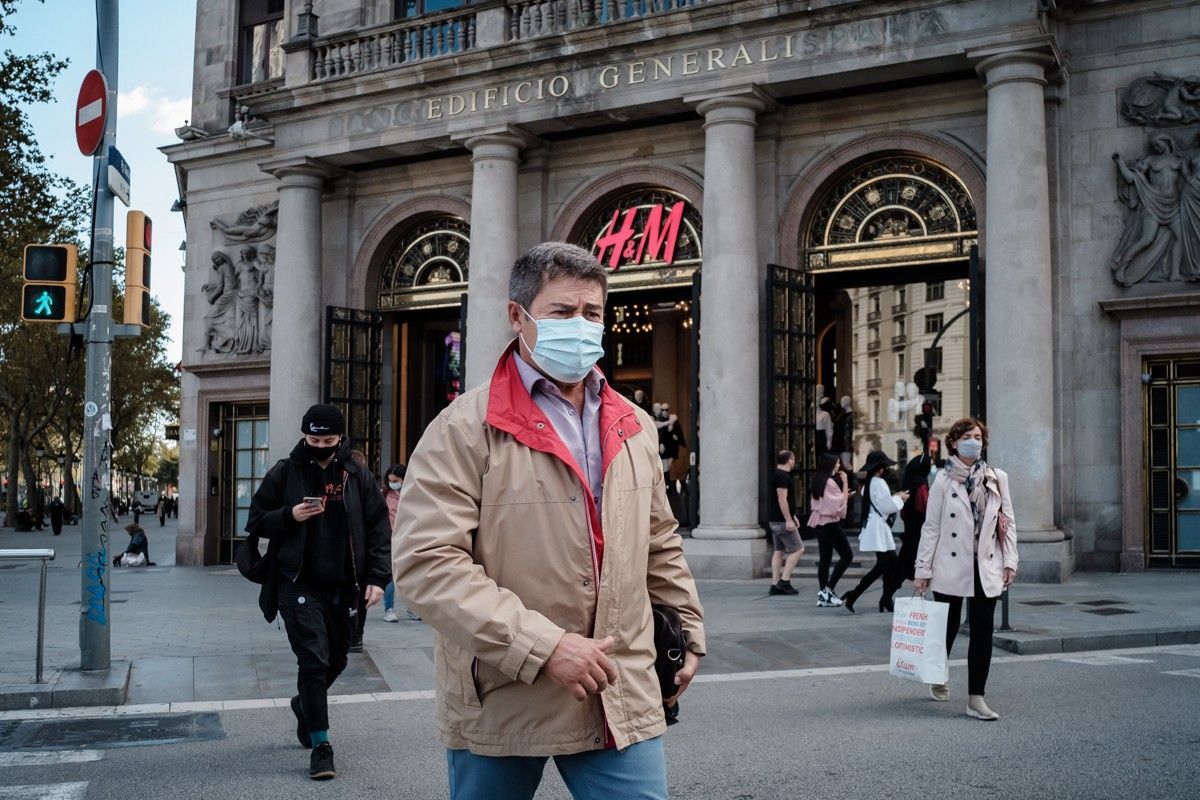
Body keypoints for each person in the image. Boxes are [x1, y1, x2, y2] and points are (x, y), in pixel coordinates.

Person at [393, 242, 705, 800]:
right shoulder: (464, 428)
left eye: (593, 313)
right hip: (504, 694)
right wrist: (544, 646)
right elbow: (426, 564)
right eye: (563, 313)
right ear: (519, 317)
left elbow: (659, 538)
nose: (582, 326)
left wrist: (689, 627)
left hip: (619, 692)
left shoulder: (633, 423)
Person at [246, 403, 391, 780]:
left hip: (345, 586)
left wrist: (378, 577)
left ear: (340, 438)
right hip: (297, 583)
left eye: (328, 440)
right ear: (304, 436)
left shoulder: (356, 474)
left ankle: (304, 705)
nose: (321, 446)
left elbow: (378, 530)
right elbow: (256, 519)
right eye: (314, 440)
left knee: (338, 659)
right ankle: (321, 745)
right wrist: (289, 516)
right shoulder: (285, 471)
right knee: (313, 660)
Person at [914, 418, 1017, 721]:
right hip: (949, 563)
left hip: (985, 563)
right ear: (955, 442)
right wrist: (922, 570)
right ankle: (938, 673)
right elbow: (931, 528)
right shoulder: (942, 482)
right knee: (947, 625)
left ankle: (976, 698)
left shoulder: (996, 478)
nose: (974, 440)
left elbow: (1007, 523)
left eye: (979, 436)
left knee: (982, 630)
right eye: (968, 436)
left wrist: (1010, 561)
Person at [840, 451, 908, 614]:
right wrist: (901, 499)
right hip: (878, 527)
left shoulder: (869, 483)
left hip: (876, 525)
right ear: (880, 467)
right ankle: (856, 594)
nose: (886, 468)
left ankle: (885, 599)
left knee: (891, 564)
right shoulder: (879, 482)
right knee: (884, 565)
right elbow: (888, 506)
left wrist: (895, 497)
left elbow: (880, 502)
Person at [884, 450, 933, 607]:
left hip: (910, 530)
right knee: (906, 567)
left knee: (904, 566)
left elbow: (905, 512)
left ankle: (886, 597)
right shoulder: (921, 485)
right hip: (919, 532)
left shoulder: (909, 482)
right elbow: (926, 508)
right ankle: (887, 597)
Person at [807, 453, 851, 607]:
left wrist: (843, 496)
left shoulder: (817, 479)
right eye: (837, 463)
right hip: (829, 522)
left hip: (819, 522)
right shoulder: (830, 482)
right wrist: (845, 484)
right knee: (847, 556)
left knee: (825, 558)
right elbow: (839, 503)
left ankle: (823, 595)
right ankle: (828, 590)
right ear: (831, 465)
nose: (839, 466)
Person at [379, 463, 417, 623]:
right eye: (390, 480)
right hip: (389, 540)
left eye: (396, 480)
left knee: (411, 575)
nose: (393, 483)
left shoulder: (412, 493)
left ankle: (413, 608)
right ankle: (389, 609)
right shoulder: (384, 494)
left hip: (408, 539)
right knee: (390, 577)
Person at [767, 449, 804, 596]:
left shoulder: (777, 474)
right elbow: (782, 500)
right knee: (798, 549)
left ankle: (775, 584)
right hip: (782, 521)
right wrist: (789, 520)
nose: (794, 461)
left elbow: (784, 501)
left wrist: (793, 515)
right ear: (789, 460)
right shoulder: (783, 476)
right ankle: (784, 581)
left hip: (775, 520)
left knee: (779, 551)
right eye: (793, 459)